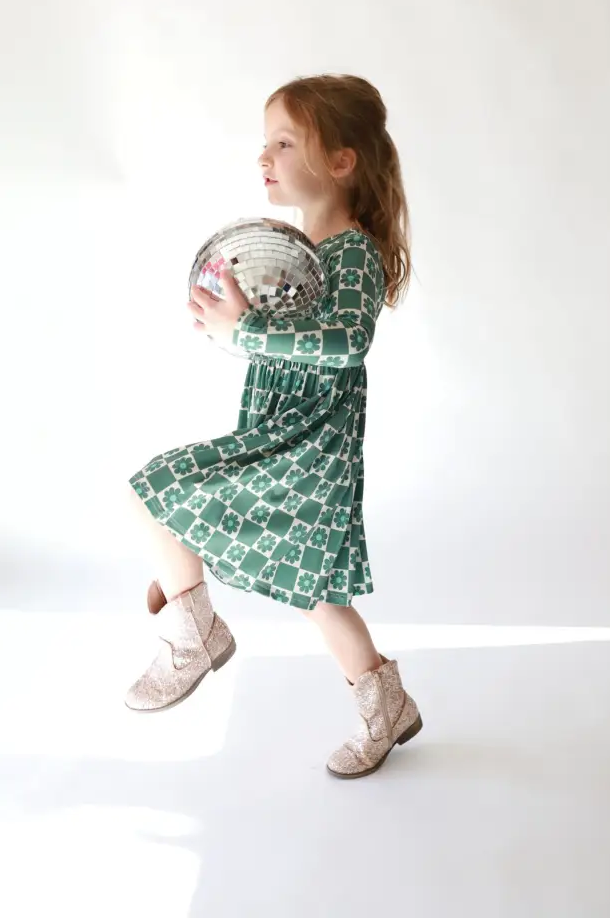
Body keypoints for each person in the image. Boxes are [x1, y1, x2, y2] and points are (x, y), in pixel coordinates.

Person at [126, 74, 421, 779]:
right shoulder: (295, 249)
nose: (265, 156)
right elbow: (273, 334)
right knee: (314, 593)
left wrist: (250, 327)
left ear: (341, 161)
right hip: (279, 428)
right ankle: (391, 707)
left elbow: (347, 343)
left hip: (311, 444)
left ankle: (193, 635)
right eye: (265, 143)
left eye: (283, 143)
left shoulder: (352, 253)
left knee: (157, 489)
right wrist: (228, 317)